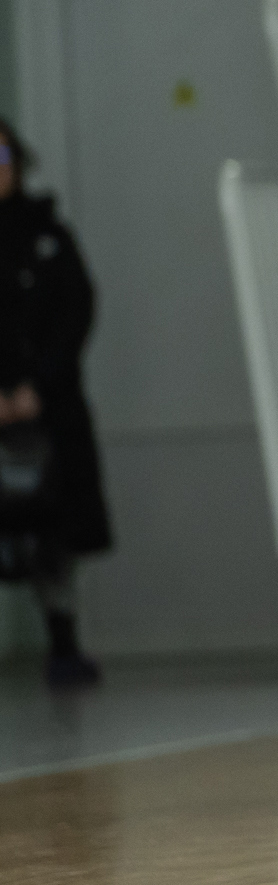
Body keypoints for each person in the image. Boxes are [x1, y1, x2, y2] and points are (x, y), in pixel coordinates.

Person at [0, 119, 109, 688]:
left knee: (54, 530)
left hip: (48, 405)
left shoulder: (48, 234)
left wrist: (37, 386)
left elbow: (75, 310)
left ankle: (63, 645)